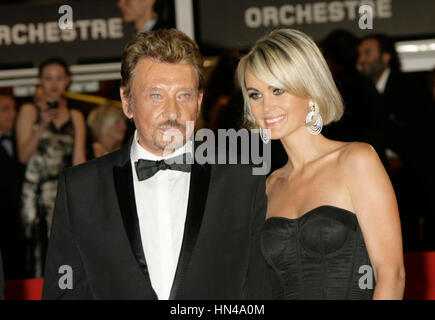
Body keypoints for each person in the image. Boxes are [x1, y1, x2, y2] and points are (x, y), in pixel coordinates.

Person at [42, 29, 268, 300]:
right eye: (156, 96)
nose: (172, 112)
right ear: (127, 102)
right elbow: (64, 293)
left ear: (198, 102)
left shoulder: (244, 180)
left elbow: (260, 290)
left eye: (184, 95)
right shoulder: (81, 187)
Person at [237, 28, 405, 300]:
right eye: (256, 95)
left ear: (310, 90)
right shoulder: (268, 187)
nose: (266, 107)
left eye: (278, 90)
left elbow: (391, 274)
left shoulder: (355, 161)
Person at [15, 57, 87, 277]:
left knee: (66, 250)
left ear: (67, 81)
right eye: (48, 78)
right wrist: (43, 125)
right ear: (40, 82)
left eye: (59, 78)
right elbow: (23, 156)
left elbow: (79, 160)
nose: (54, 84)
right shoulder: (29, 110)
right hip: (34, 194)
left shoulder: (76, 116)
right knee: (36, 252)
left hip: (63, 193)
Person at [358, 34, 429, 250]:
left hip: (411, 178)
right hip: (377, 179)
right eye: (359, 54)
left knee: (407, 237)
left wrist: (399, 158)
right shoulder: (361, 94)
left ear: (386, 57)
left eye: (368, 53)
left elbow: (422, 130)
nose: (361, 59)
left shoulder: (407, 87)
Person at [320, 30, 386, 165]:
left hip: (348, 162)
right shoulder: (366, 83)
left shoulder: (333, 88)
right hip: (373, 159)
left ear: (330, 56)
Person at [0, 93, 25, 280]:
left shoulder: (22, 141)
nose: (13, 114)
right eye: (5, 109)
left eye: (14, 108)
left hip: (20, 222)